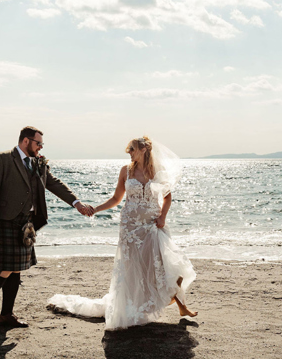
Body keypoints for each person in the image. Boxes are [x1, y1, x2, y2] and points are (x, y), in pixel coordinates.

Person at [48, 136, 197, 330]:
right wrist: (96, 209)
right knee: (134, 267)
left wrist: (163, 217)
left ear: (144, 149)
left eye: (132, 149)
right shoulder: (126, 171)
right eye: (129, 150)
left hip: (153, 224)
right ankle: (135, 305)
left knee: (167, 263)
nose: (129, 153)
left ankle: (182, 306)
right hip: (130, 226)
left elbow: (167, 198)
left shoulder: (158, 171)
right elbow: (116, 198)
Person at [0, 126, 94, 334]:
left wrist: (76, 203)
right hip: (4, 221)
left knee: (16, 268)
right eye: (38, 143)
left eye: (41, 144)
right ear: (25, 141)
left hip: (26, 223)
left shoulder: (38, 162)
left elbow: (53, 183)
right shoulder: (2, 159)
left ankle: (6, 315)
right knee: (4, 268)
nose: (40, 147)